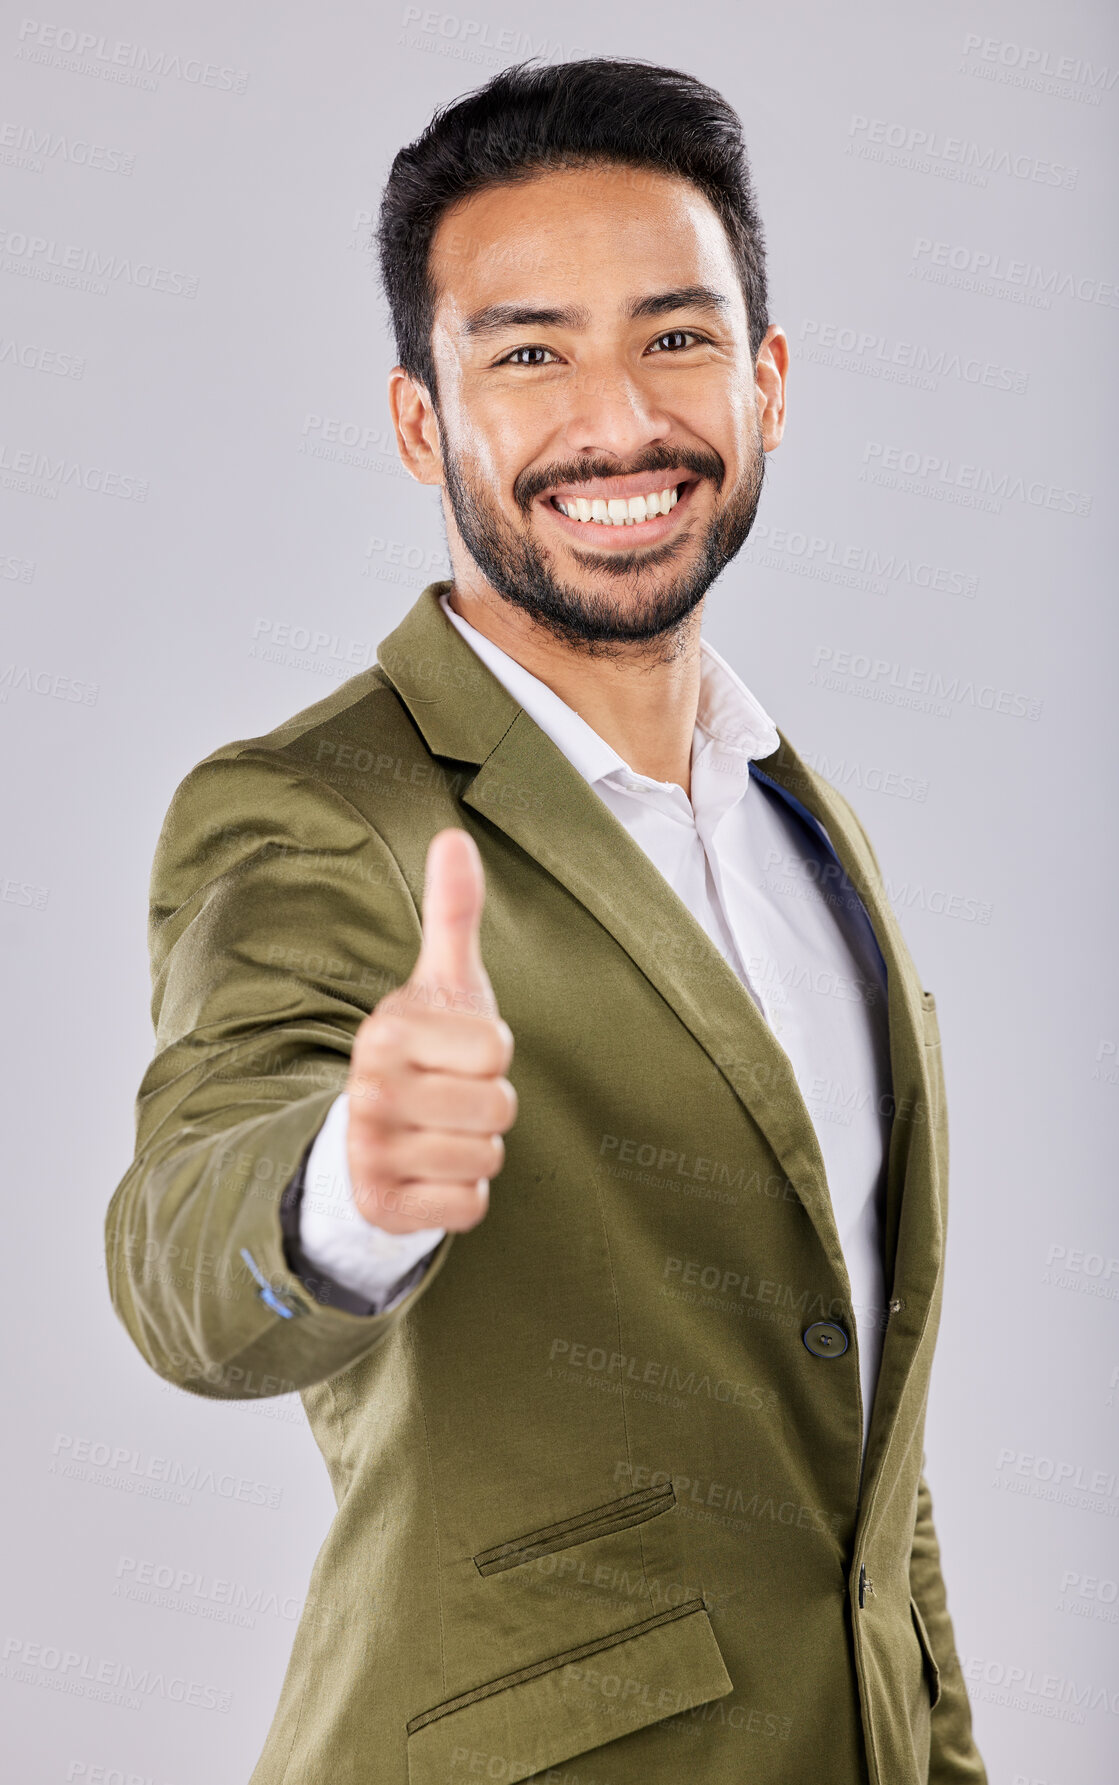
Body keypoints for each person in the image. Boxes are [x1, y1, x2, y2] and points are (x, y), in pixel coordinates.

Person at [106, 57, 987, 1785]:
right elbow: (178, 1260)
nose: (617, 421)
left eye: (674, 335)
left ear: (769, 382)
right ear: (424, 421)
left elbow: (861, 1440)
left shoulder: (805, 826)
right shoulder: (320, 808)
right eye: (529, 353)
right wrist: (349, 1179)